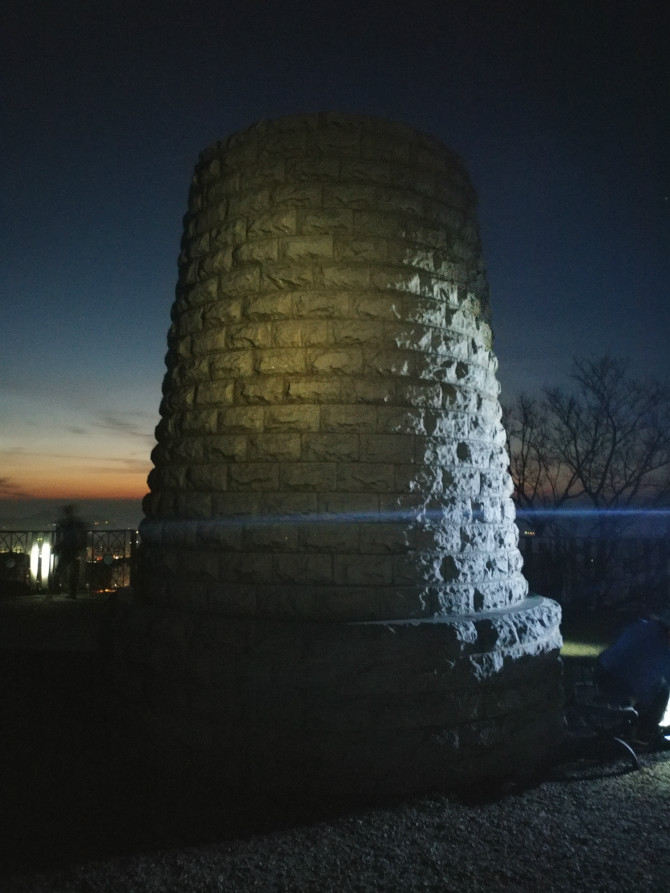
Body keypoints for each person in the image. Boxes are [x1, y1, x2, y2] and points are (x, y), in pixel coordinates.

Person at [595, 612, 670, 746]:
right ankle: (647, 732)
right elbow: (645, 680)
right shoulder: (664, 648)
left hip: (602, 671)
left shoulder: (643, 626)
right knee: (662, 690)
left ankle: (639, 728)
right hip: (621, 685)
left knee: (656, 686)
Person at [53, 505, 87, 599]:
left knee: (61, 568)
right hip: (73, 547)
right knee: (72, 571)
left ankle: (55, 588)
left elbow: (64, 535)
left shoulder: (66, 522)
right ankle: (72, 592)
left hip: (68, 547)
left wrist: (58, 546)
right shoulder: (74, 522)